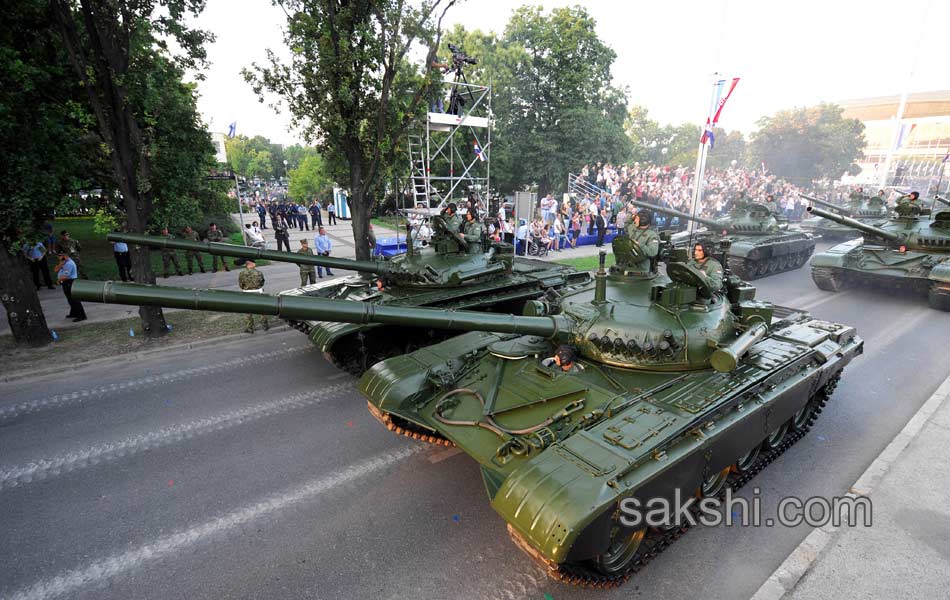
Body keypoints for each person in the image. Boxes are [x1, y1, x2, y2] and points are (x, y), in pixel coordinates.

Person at [238, 259, 269, 333]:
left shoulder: (242, 273)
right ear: (250, 263)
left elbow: (241, 285)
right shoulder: (259, 273)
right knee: (262, 310)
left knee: (248, 312)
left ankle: (249, 328)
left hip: (247, 294)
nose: (255, 263)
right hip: (258, 293)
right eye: (254, 262)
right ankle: (265, 326)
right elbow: (262, 283)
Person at [55, 250, 86, 321]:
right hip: (66, 282)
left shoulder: (69, 264)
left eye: (60, 255)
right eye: (58, 255)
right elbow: (56, 270)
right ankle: (74, 313)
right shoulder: (63, 262)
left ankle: (81, 315)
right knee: (70, 299)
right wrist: (60, 264)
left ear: (65, 255)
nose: (58, 257)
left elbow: (66, 276)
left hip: (70, 282)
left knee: (74, 299)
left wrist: (58, 281)